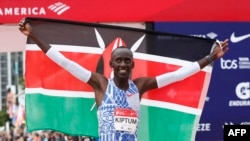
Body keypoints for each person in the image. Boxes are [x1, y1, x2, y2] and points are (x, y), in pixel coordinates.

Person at [19, 18, 229, 141]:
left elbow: (176, 75)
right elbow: (66, 63)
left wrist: (210, 58)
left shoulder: (139, 86)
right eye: (118, 61)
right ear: (111, 64)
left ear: (132, 64)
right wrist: (35, 36)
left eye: (127, 61)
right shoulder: (101, 84)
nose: (122, 65)